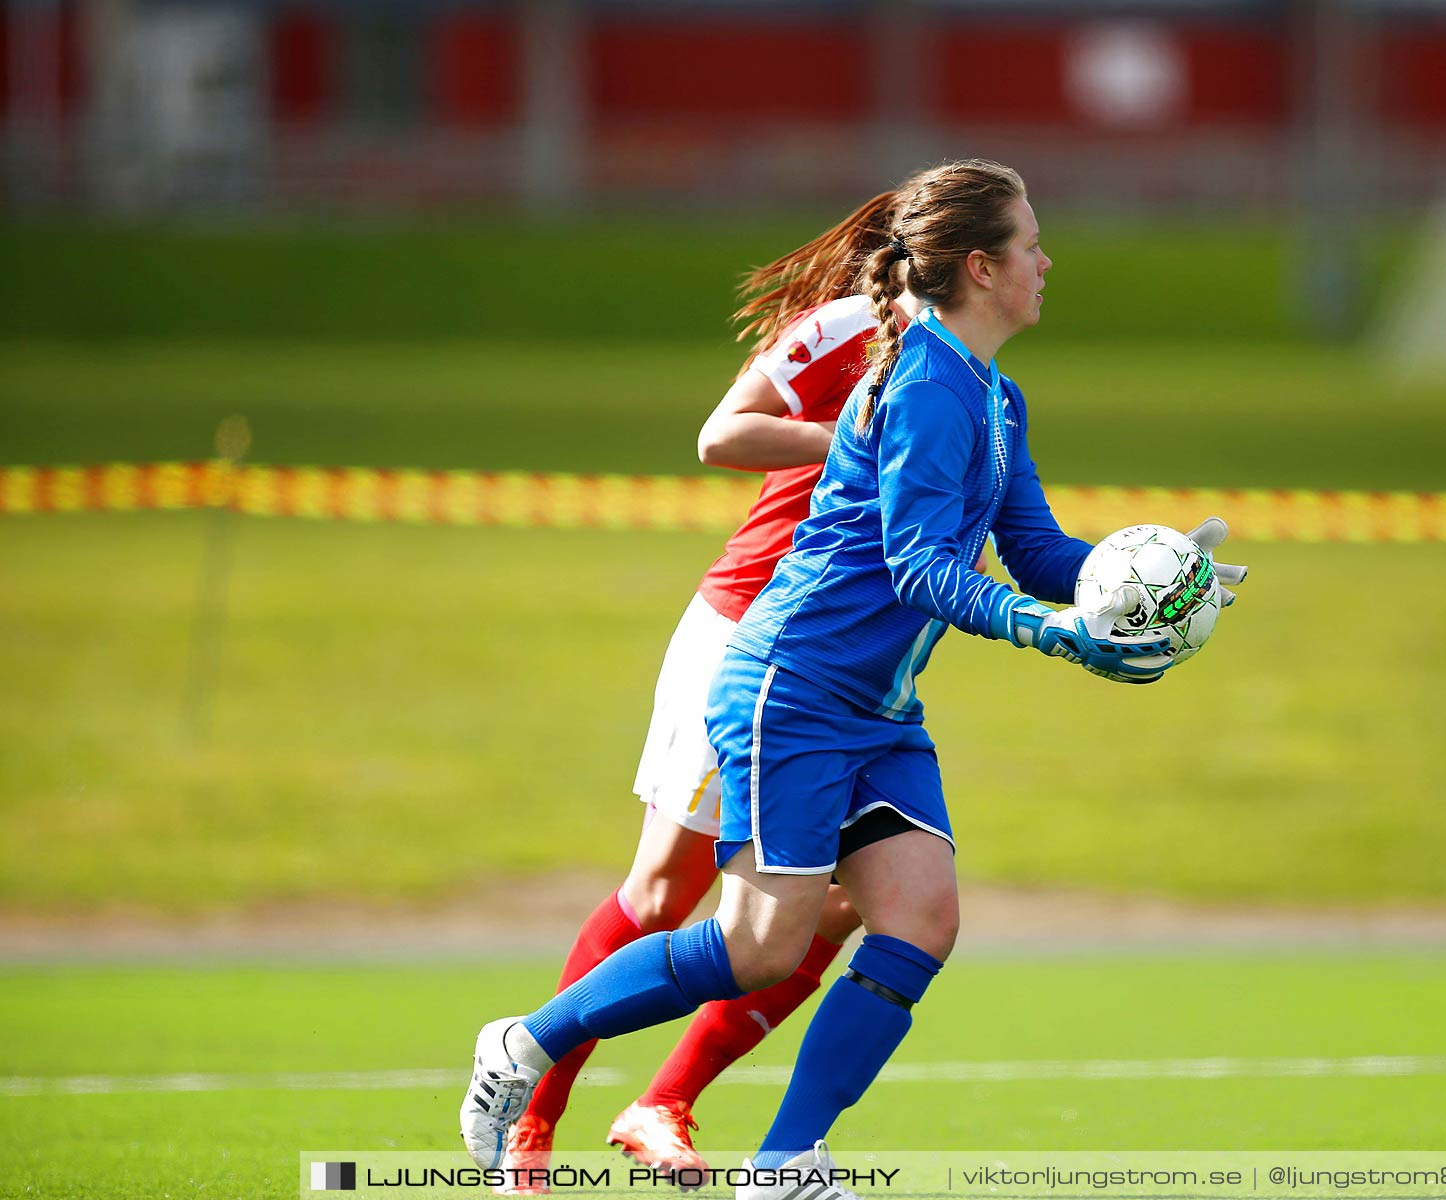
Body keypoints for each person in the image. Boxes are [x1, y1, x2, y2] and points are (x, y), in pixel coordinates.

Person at [459, 159, 1248, 1200]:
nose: (1046, 261)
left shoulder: (995, 394)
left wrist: (1155, 579)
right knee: (756, 946)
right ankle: (524, 1045)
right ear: (980, 265)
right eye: (1030, 244)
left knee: (921, 917)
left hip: (873, 711)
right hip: (791, 691)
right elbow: (922, 567)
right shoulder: (922, 381)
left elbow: (1041, 550)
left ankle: (783, 1164)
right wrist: (1054, 637)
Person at [497, 191, 920, 1191]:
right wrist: (853, 449)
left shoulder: (971, 367)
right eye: (1020, 240)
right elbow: (720, 435)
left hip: (842, 673)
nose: (1039, 261)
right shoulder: (854, 328)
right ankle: (530, 1110)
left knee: (851, 902)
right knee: (661, 894)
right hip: (745, 638)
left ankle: (664, 1101)